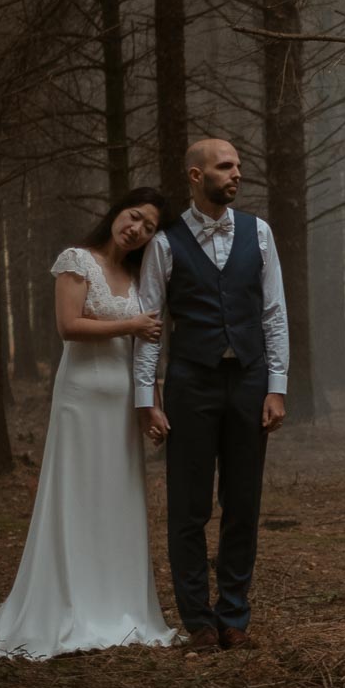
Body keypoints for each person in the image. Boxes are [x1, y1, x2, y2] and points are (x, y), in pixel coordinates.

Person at [0, 188, 179, 659]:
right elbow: (69, 325)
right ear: (117, 212)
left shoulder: (138, 276)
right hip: (81, 399)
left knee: (118, 497)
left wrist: (152, 403)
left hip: (123, 403)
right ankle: (71, 604)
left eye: (149, 228)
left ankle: (118, 605)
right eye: (135, 217)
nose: (137, 230)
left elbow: (145, 351)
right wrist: (129, 326)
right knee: (78, 493)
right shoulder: (77, 259)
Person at [134, 138, 290, 652]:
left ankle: (234, 616)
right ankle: (199, 620)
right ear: (197, 176)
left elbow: (273, 314)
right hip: (191, 384)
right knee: (189, 506)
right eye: (226, 167)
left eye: (239, 166)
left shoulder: (258, 233)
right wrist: (147, 398)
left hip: (248, 382)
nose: (236, 174)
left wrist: (276, 387)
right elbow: (151, 325)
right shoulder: (165, 241)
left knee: (242, 502)